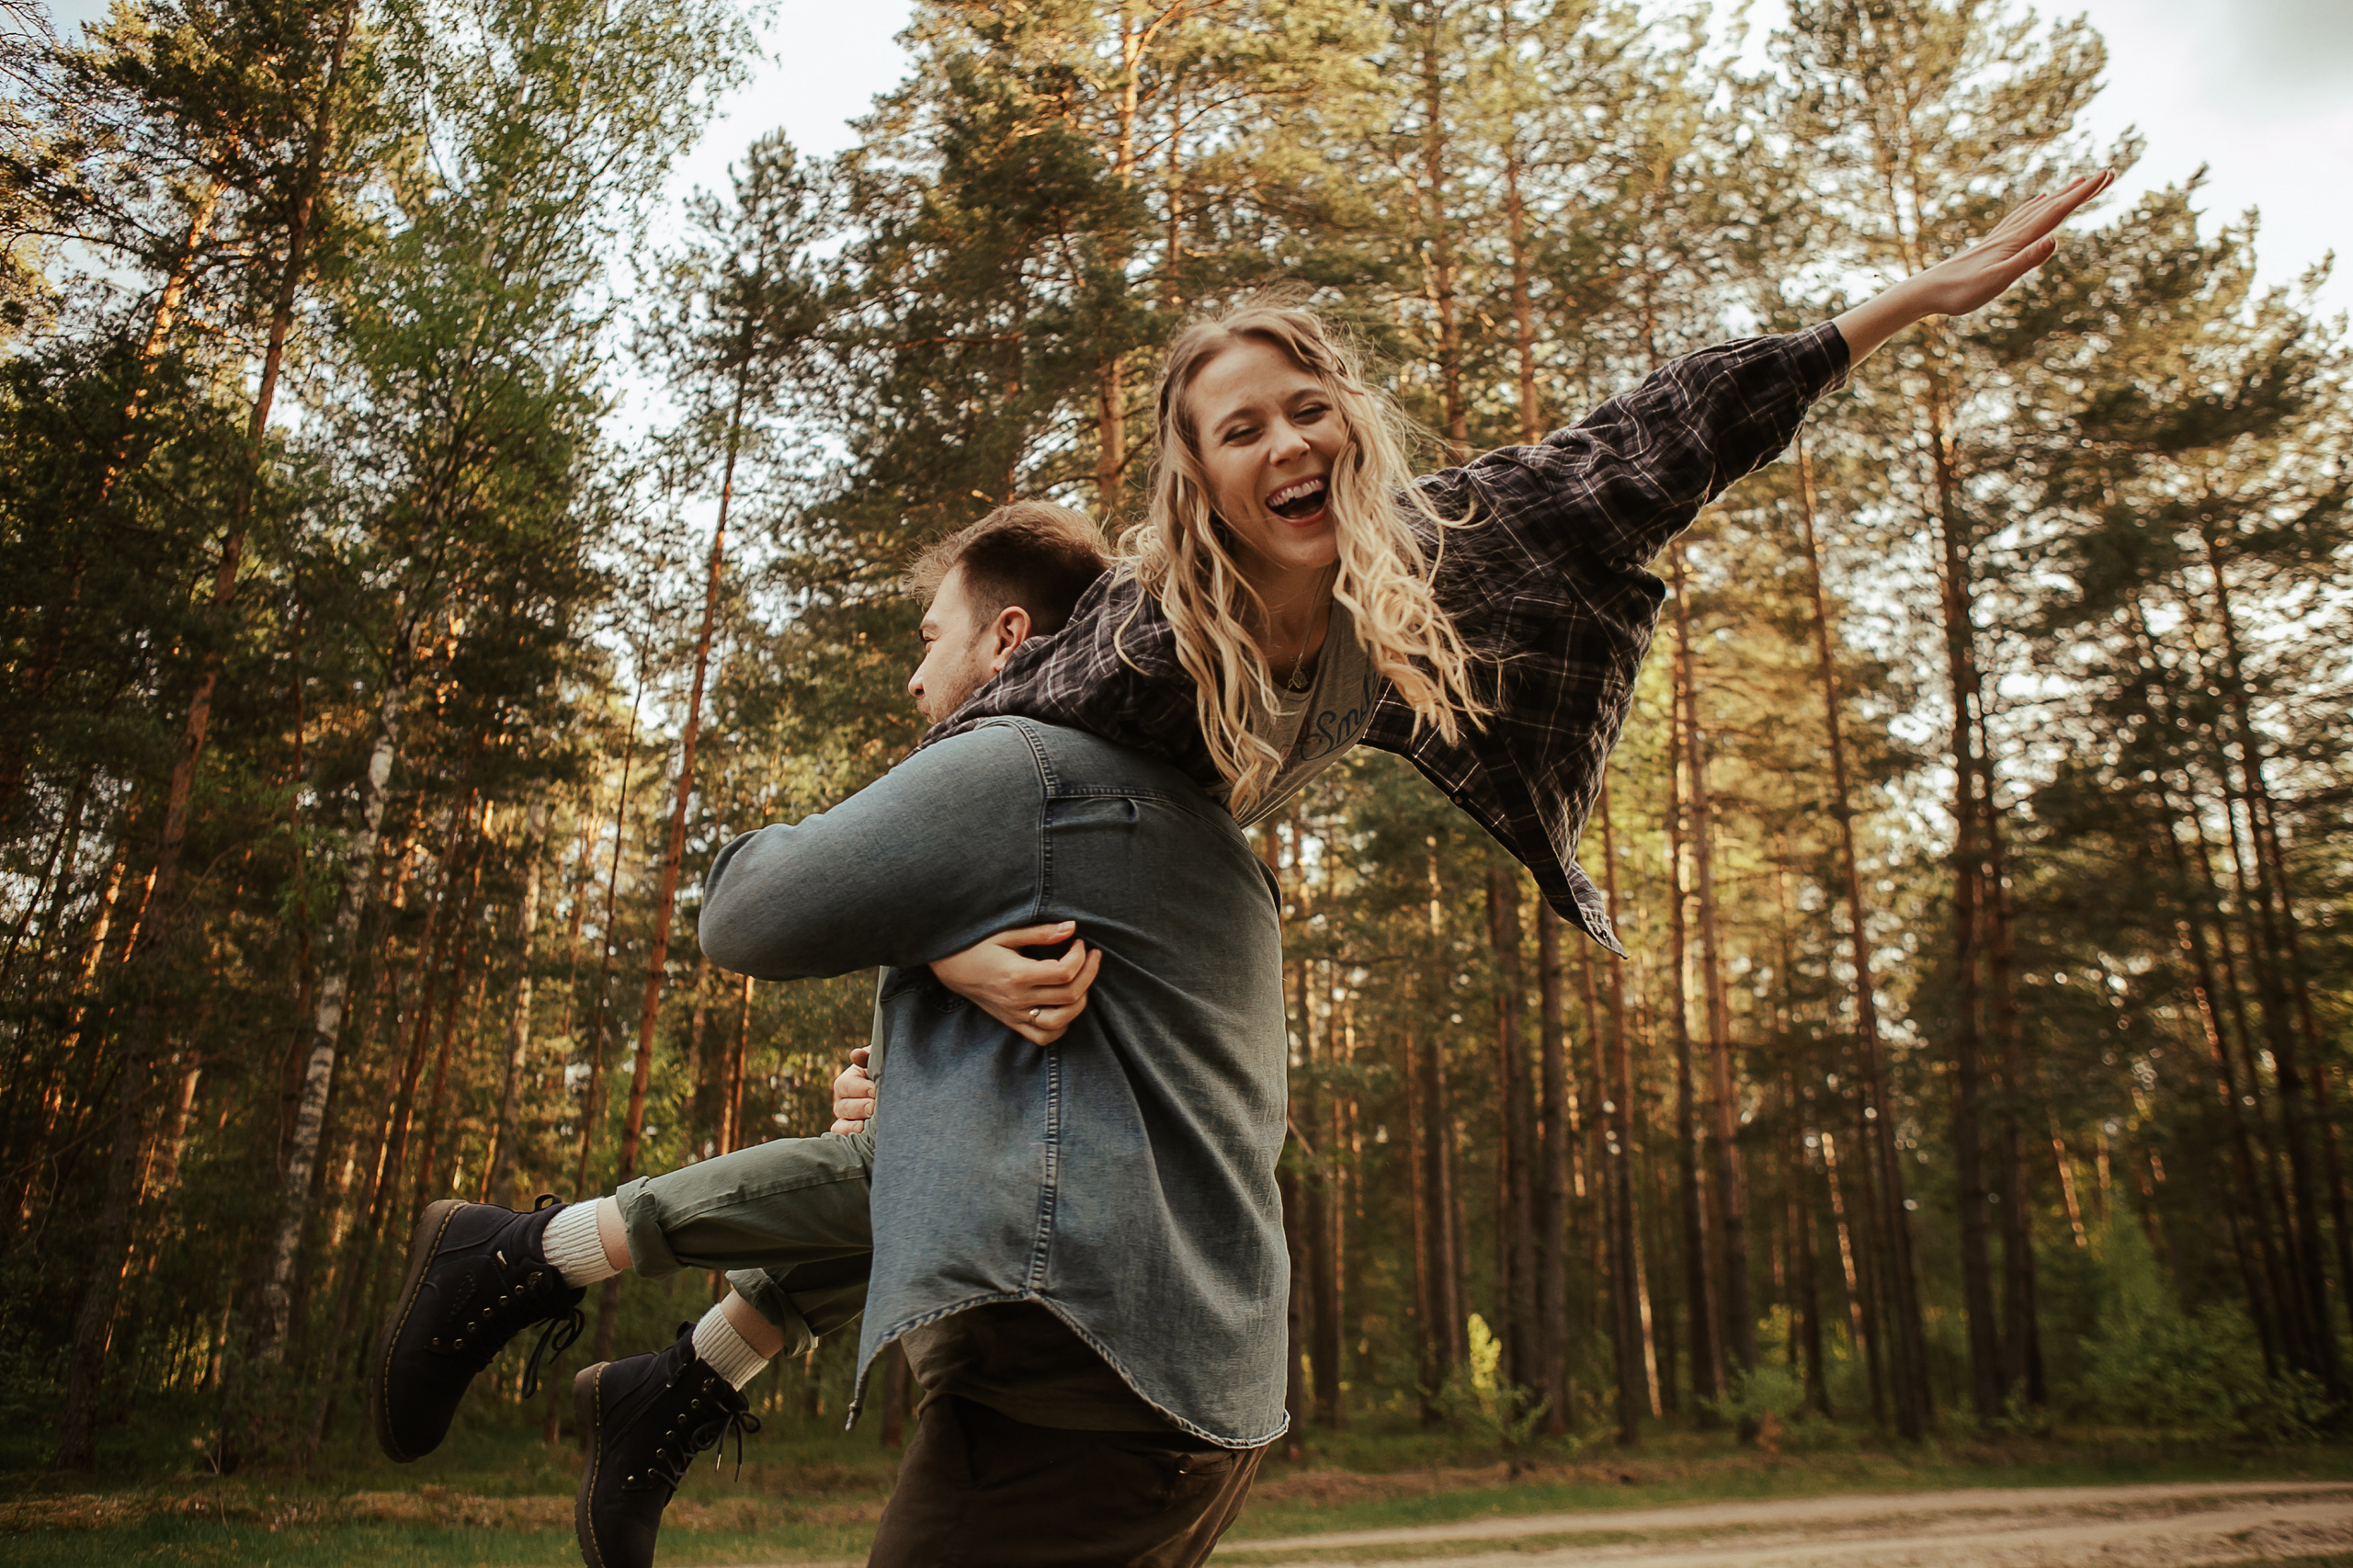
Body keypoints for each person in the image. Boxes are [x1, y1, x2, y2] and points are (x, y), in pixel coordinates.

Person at [922, 174, 2119, 956]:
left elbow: (1652, 436)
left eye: (1308, 410)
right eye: (1244, 430)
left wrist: (1909, 302)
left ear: (1350, 427)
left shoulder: (1428, 556)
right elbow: (960, 769)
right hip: (1011, 898)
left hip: (1126, 942)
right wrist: (948, 951)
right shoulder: (1149, 629)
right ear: (1203, 484)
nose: (1288, 444)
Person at [368, 502, 1127, 1568]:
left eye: (928, 638)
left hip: (1064, 1195)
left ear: (1006, 636)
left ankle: (581, 1300)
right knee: (927, 1171)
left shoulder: (1012, 760)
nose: (914, 678)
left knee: (933, 1176)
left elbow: (761, 906)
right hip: (1036, 1168)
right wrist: (933, 972)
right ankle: (615, 1321)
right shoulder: (1039, 772)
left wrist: (928, 976)